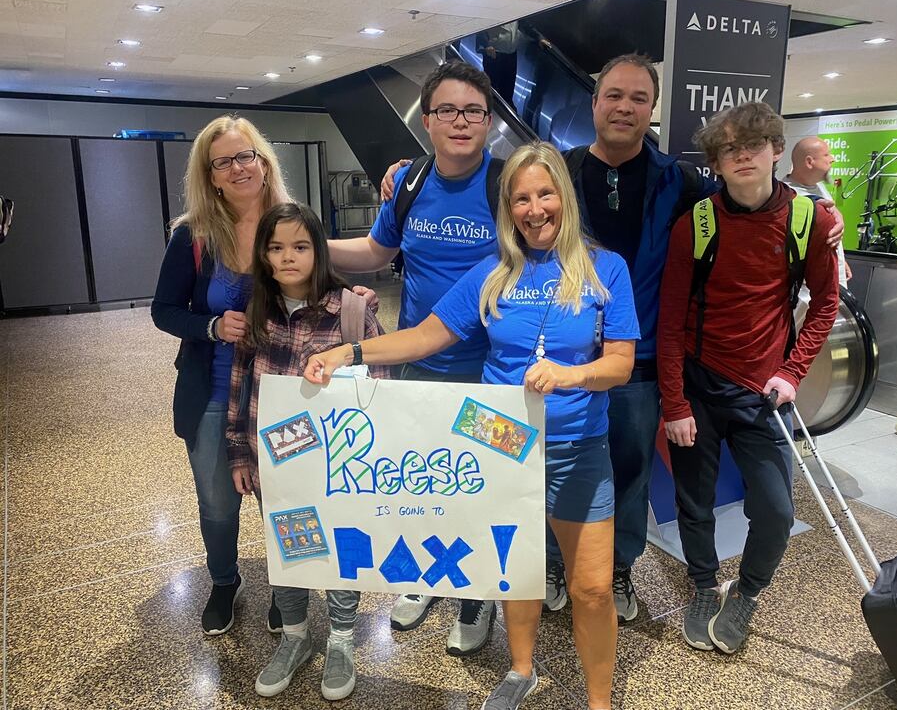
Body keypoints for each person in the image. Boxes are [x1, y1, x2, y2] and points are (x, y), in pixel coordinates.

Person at [377, 55, 846, 622]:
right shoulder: (563, 171)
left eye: (639, 99)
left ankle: (619, 569)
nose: (625, 107)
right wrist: (408, 168)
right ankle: (548, 564)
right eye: (613, 96)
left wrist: (814, 204)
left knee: (626, 474)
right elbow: (487, 177)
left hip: (637, 361)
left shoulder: (681, 180)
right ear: (595, 104)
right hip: (558, 361)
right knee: (533, 469)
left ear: (651, 111)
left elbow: (744, 196)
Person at [305, 142, 639, 710]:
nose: (535, 209)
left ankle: (601, 701)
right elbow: (428, 334)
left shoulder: (604, 269)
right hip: (499, 445)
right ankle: (521, 669)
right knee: (515, 570)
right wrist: (351, 352)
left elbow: (620, 363)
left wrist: (571, 374)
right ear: (507, 209)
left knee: (591, 587)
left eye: (545, 194)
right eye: (521, 199)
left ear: (565, 197)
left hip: (576, 449)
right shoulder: (493, 273)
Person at [327, 60, 499, 655]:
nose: (460, 121)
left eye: (472, 110)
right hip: (419, 364)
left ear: (488, 120)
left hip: (492, 372)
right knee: (426, 484)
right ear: (427, 120)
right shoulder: (409, 184)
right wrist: (300, 242)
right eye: (447, 110)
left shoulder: (510, 183)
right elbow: (377, 250)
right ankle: (430, 579)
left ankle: (477, 599)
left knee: (478, 489)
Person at [657, 102, 839, 655]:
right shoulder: (698, 223)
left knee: (778, 512)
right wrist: (674, 403)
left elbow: (825, 306)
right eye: (728, 148)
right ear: (715, 160)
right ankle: (704, 585)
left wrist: (791, 372)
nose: (741, 156)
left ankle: (749, 591)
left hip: (765, 393)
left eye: (752, 145)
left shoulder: (812, 221)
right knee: (694, 501)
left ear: (777, 151)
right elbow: (668, 322)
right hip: (698, 385)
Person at [225, 202, 391, 701]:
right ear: (264, 255)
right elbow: (240, 388)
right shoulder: (258, 311)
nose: (288, 257)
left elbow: (379, 388)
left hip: (338, 468)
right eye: (276, 248)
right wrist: (238, 451)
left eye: (300, 246)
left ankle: (341, 639)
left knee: (340, 551)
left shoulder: (352, 310)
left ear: (318, 250)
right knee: (288, 547)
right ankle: (294, 637)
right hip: (276, 467)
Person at [151, 115, 291, 635]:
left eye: (245, 155)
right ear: (210, 175)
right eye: (223, 161)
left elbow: (319, 288)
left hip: (282, 394)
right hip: (211, 393)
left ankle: (288, 589)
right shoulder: (193, 236)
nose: (238, 168)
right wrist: (211, 326)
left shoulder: (291, 224)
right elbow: (164, 310)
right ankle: (224, 581)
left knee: (283, 499)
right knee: (217, 502)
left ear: (262, 160)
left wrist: (352, 296)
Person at [783, 136, 852, 287]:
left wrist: (840, 259)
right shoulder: (787, 196)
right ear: (809, 162)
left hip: (831, 279)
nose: (832, 159)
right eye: (826, 155)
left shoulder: (818, 187)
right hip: (808, 289)